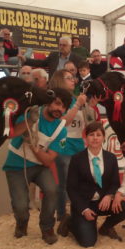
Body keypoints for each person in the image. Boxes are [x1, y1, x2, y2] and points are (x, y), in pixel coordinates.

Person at [3, 89, 72, 244]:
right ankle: (22, 222)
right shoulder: (31, 112)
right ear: (49, 102)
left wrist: (35, 148)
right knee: (21, 205)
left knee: (51, 190)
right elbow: (11, 134)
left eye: (64, 107)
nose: (59, 109)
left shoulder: (61, 130)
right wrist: (29, 122)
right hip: (15, 166)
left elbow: (48, 161)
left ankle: (47, 227)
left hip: (40, 166)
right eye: (57, 104)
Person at [66, 121, 125, 247]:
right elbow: (71, 188)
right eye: (91, 135)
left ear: (103, 138)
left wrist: (109, 196)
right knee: (88, 243)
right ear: (86, 137)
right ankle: (70, 222)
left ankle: (106, 227)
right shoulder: (76, 159)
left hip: (103, 202)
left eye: (98, 135)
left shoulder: (111, 158)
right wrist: (84, 209)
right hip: (84, 204)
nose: (95, 138)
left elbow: (115, 183)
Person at [48, 69, 97, 233]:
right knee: (65, 184)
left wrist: (90, 107)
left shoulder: (77, 98)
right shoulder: (57, 100)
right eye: (68, 78)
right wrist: (77, 105)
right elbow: (62, 122)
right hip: (63, 143)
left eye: (72, 78)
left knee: (78, 182)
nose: (73, 81)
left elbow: (89, 122)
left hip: (78, 144)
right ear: (59, 80)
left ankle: (74, 213)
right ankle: (62, 215)